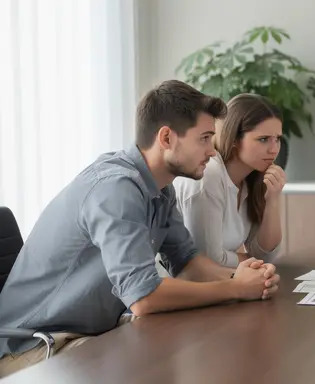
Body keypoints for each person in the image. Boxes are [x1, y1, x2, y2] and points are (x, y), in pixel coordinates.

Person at [0, 80, 280, 377]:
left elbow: (187, 262)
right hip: (32, 347)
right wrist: (235, 287)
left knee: (193, 346)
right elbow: (143, 298)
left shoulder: (161, 188)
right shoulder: (115, 188)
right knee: (156, 366)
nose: (213, 151)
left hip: (82, 333)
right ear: (167, 138)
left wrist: (250, 278)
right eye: (205, 138)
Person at [172, 93, 285, 268]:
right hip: (182, 287)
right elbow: (209, 261)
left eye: (277, 139)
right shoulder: (209, 174)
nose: (274, 149)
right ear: (233, 139)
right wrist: (252, 263)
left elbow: (264, 254)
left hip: (221, 284)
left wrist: (273, 200)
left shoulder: (253, 178)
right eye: (263, 139)